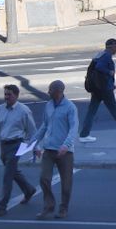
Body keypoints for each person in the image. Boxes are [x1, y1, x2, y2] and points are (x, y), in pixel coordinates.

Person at [0, 84, 38, 217]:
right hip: (4, 145)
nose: (6, 97)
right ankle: (29, 190)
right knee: (12, 172)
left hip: (16, 144)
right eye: (5, 94)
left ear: (16, 96)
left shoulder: (24, 111)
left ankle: (2, 206)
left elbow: (32, 131)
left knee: (7, 176)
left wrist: (36, 147)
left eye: (9, 94)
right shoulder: (0, 109)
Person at [77, 38, 116, 142]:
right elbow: (99, 68)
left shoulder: (100, 54)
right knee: (115, 109)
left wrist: (111, 83)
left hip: (97, 88)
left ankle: (84, 135)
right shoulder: (106, 56)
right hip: (104, 90)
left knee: (91, 111)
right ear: (111, 47)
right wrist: (109, 72)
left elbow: (97, 72)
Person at [32, 80, 78, 220]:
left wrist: (66, 145)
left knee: (66, 182)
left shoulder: (70, 107)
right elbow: (45, 126)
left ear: (59, 91)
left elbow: (73, 129)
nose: (48, 92)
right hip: (49, 149)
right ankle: (48, 206)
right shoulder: (48, 105)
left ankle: (63, 209)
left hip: (65, 151)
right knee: (44, 178)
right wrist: (34, 142)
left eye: (50, 90)